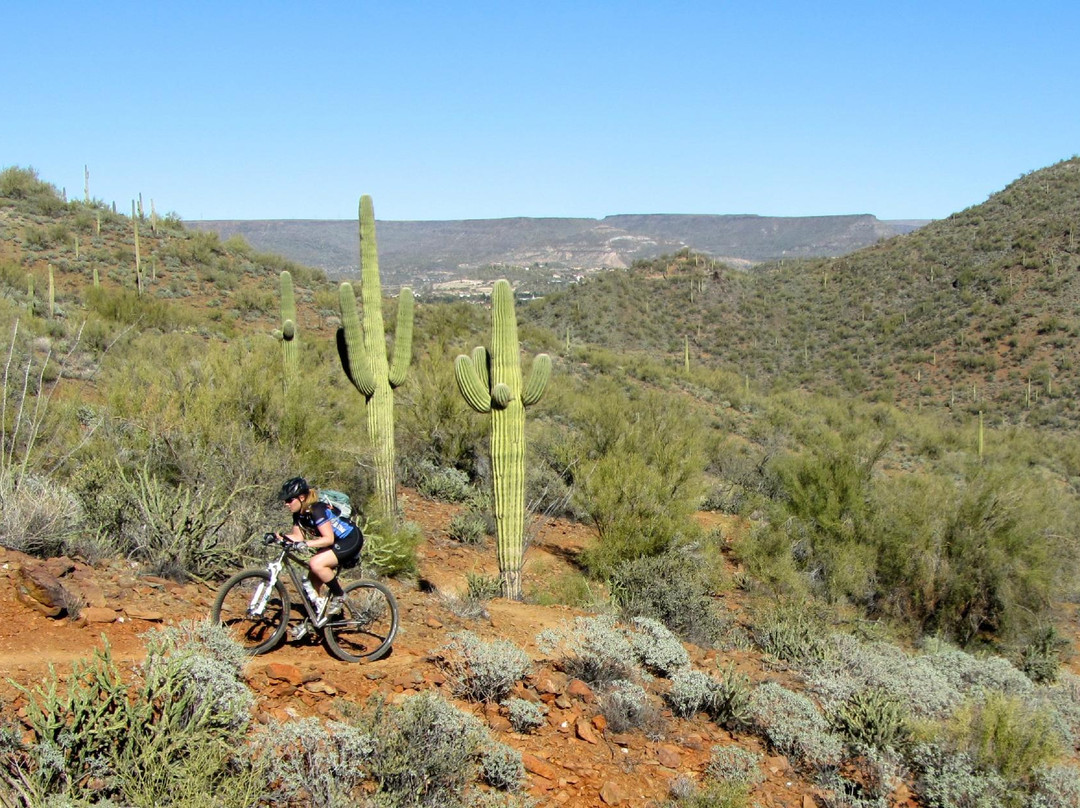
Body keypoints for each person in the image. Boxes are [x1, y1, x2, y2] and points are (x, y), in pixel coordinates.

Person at [276, 476, 362, 619]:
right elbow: (298, 537)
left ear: (302, 498)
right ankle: (316, 620)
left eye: (289, 500)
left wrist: (306, 544)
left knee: (316, 563)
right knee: (310, 585)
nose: (286, 504)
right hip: (336, 543)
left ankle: (340, 596)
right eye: (285, 501)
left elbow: (328, 539)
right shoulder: (298, 514)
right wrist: (279, 537)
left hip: (350, 539)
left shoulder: (317, 510)